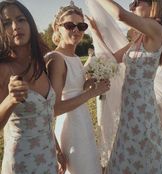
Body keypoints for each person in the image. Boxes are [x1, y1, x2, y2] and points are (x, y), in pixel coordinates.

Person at [87, 0, 162, 173]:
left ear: (152, 4)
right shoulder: (139, 37)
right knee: (129, 148)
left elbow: (120, 14)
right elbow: (114, 58)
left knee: (143, 149)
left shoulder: (156, 29)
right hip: (129, 106)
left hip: (142, 107)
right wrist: (95, 33)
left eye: (136, 2)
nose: (132, 6)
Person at [45, 1, 110, 174]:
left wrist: (91, 83)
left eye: (81, 26)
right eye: (69, 25)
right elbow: (54, 108)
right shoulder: (56, 59)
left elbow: (73, 88)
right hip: (70, 128)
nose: (76, 30)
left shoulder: (73, 56)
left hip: (82, 122)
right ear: (58, 28)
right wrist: (91, 93)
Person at [0, 0, 58, 173]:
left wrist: (58, 149)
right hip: (21, 164)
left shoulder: (42, 64)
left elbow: (45, 115)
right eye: (7, 23)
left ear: (30, 23)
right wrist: (11, 100)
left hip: (49, 158)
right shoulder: (3, 69)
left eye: (20, 19)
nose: (15, 26)